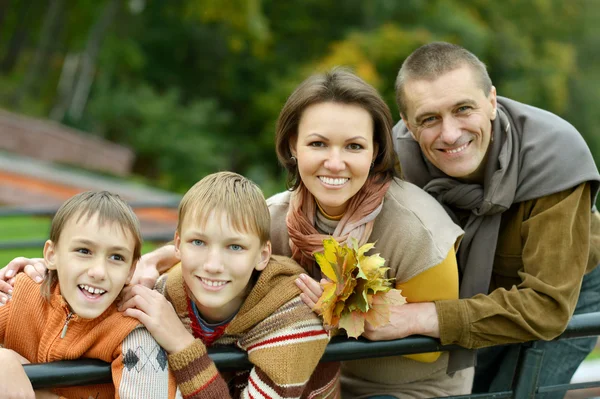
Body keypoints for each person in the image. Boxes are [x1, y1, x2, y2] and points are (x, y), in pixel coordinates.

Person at [391, 41, 600, 397]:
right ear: (408, 125)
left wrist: (425, 318)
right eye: (429, 119)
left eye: (463, 109)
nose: (450, 133)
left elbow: (547, 306)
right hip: (470, 295)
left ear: (491, 101)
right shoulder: (392, 163)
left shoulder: (553, 156)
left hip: (568, 292)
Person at [266, 68, 471, 398]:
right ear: (293, 145)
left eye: (353, 146)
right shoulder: (272, 218)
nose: (335, 163)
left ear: (375, 150)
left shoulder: (417, 229)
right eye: (318, 143)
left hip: (405, 390)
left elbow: (430, 348)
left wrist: (339, 311)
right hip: (309, 386)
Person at [92, 172, 338, 398]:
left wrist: (181, 344)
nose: (213, 265)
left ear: (262, 255)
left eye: (235, 247)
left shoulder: (295, 317)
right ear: (178, 245)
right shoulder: (163, 295)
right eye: (198, 242)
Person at [0, 191, 178, 399]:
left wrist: (39, 395)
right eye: (84, 251)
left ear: (131, 271)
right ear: (51, 255)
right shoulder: (20, 293)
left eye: (116, 257)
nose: (98, 272)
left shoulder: (136, 333)